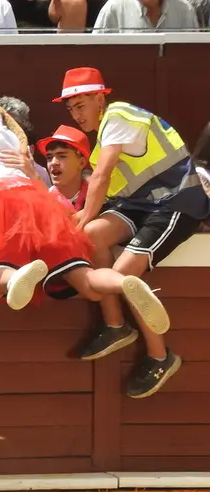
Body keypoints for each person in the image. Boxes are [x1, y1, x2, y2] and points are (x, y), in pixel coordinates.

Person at [0, 67, 170, 333]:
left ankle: (15, 276)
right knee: (84, 279)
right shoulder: (2, 124)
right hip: (35, 199)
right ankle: (122, 283)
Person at [58, 67, 210, 398]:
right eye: (70, 108)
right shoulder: (103, 139)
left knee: (124, 271)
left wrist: (82, 216)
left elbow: (100, 177)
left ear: (100, 98)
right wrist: (84, 224)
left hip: (177, 203)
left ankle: (160, 356)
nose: (75, 113)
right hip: (139, 206)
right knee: (91, 236)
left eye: (80, 105)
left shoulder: (120, 115)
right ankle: (114, 325)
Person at [35, 124, 91, 212]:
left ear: (81, 163)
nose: (53, 163)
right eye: (49, 157)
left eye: (62, 156)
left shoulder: (98, 201)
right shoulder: (39, 204)